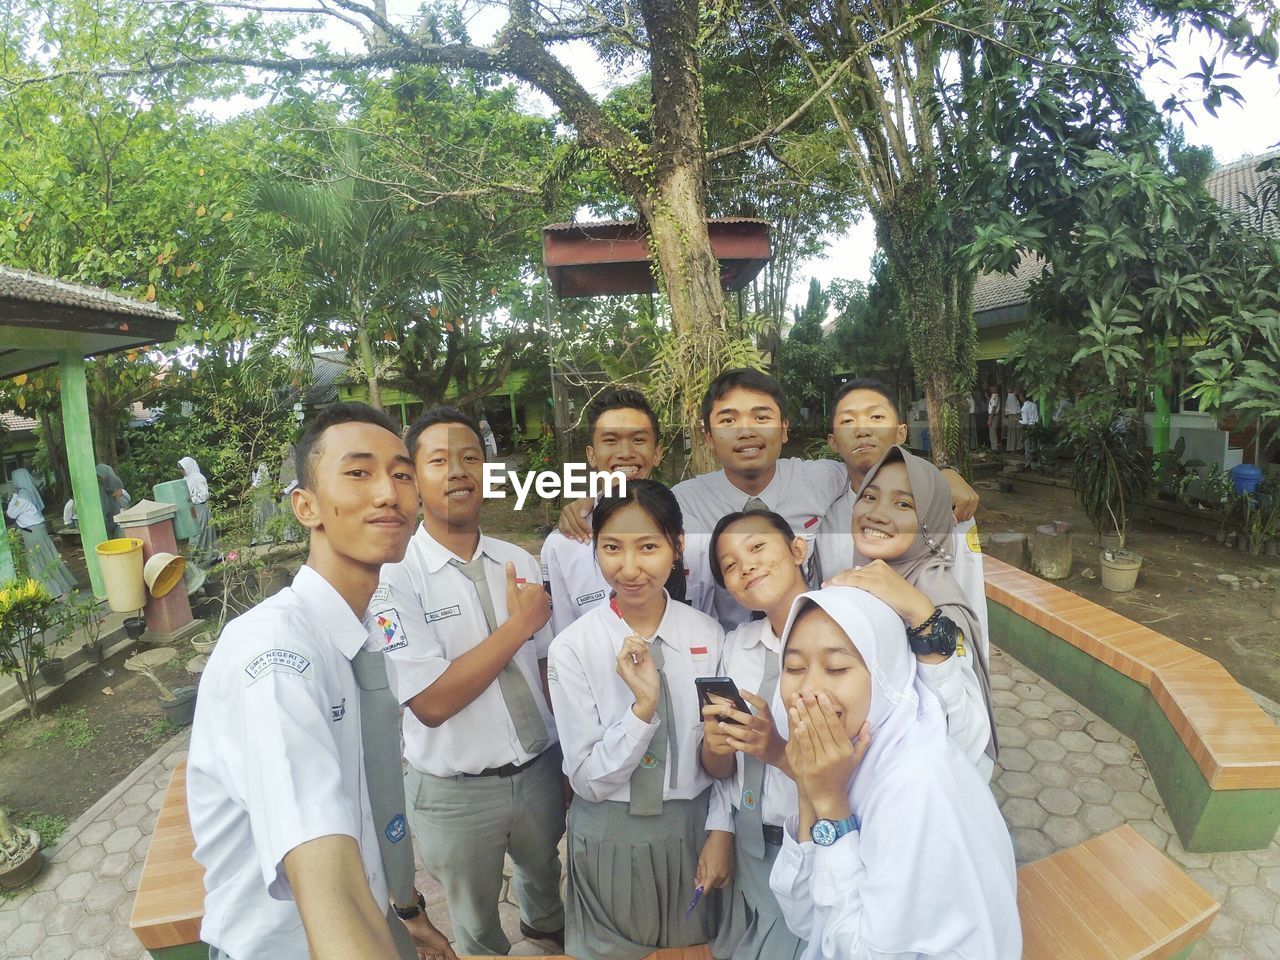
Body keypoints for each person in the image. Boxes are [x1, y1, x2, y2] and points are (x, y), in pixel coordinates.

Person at [186, 402, 455, 960]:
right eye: (358, 472)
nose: (388, 493)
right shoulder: (279, 658)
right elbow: (323, 869)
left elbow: (363, 802)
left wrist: (402, 912)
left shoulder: (361, 629)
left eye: (402, 474)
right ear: (306, 506)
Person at [374, 405, 565, 956]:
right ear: (410, 479)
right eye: (439, 460)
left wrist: (569, 759)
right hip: (456, 794)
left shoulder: (517, 560)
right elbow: (431, 702)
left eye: (471, 458)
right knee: (477, 925)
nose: (459, 471)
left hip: (539, 770)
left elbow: (547, 669)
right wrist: (523, 623)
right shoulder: (394, 580)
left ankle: (546, 937)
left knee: (544, 880)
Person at [769, 588, 1021, 959]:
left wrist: (831, 804)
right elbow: (805, 918)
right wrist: (811, 790)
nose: (808, 691)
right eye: (793, 668)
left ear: (885, 672)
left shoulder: (915, 783)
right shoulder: (845, 759)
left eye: (836, 668)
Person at [547, 479, 731, 960]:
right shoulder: (574, 648)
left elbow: (724, 753)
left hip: (693, 831)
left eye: (648, 546)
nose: (629, 568)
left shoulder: (709, 637)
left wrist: (721, 831)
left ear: (677, 545)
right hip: (611, 834)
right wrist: (642, 710)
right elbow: (587, 779)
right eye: (611, 548)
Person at [823, 445, 996, 777]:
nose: (876, 513)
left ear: (930, 522)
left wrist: (922, 617)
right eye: (869, 497)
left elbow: (967, 737)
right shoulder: (858, 580)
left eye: (903, 503)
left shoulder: (939, 600)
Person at [703, 510, 811, 960]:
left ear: (797, 549)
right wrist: (720, 829)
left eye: (756, 547)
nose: (745, 565)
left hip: (811, 851)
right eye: (729, 564)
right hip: (749, 849)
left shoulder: (847, 639)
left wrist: (776, 750)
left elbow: (865, 769)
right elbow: (719, 765)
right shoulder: (736, 645)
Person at [542, 388, 666, 633]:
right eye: (610, 440)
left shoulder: (690, 532)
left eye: (639, 439)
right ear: (591, 455)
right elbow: (561, 635)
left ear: (658, 453)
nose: (625, 453)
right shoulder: (563, 544)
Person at [4, 480, 76, 597]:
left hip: (32, 533)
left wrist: (13, 497)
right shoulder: (30, 493)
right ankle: (62, 586)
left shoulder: (21, 497)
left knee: (38, 562)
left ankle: (52, 592)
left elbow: (10, 514)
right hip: (38, 529)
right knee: (49, 557)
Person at [179, 456, 216, 564]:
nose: (181, 471)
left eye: (183, 468)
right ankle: (198, 555)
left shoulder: (198, 478)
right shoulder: (185, 479)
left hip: (200, 507)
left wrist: (191, 499)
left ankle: (206, 554)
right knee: (194, 531)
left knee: (202, 530)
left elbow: (204, 494)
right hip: (192, 509)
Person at [96, 463, 130, 538]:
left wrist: (122, 492)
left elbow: (124, 513)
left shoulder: (120, 496)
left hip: (118, 524)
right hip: (108, 522)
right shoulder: (100, 488)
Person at [251, 461, 277, 543]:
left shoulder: (262, 466)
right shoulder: (253, 471)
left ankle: (267, 533)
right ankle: (258, 536)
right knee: (257, 514)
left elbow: (259, 481)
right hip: (257, 495)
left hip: (263, 493)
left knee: (266, 513)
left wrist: (249, 490)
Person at [1019, 392, 1040, 466]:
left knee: (1027, 445)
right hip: (1035, 426)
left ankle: (1028, 463)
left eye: (1020, 396)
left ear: (1022, 397)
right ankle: (1035, 462)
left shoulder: (1023, 408)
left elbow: (1025, 422)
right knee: (1034, 444)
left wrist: (1018, 420)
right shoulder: (1034, 404)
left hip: (1028, 427)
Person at [1004, 386, 1021, 454]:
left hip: (1013, 415)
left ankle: (1012, 448)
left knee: (1012, 432)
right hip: (1014, 415)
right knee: (1015, 432)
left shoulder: (1012, 396)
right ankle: (1015, 448)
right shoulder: (1011, 396)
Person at [987, 385, 1002, 451]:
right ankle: (994, 447)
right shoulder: (994, 396)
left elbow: (994, 408)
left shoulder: (994, 397)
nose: (990, 388)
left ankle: (994, 448)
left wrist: (990, 418)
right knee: (992, 431)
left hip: (993, 416)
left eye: (992, 387)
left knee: (992, 432)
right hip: (994, 415)